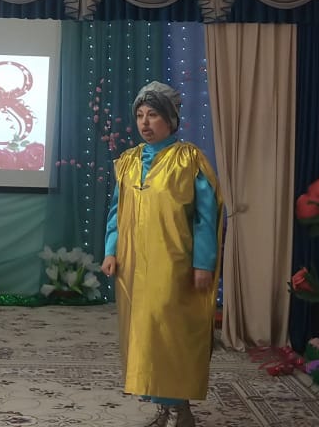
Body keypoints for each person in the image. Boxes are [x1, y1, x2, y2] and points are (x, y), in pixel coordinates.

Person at [101, 81, 225, 427]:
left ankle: (180, 408)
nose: (145, 122)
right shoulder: (128, 162)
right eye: (140, 115)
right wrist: (111, 250)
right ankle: (163, 407)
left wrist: (203, 263)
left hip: (174, 265)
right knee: (145, 335)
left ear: (170, 120)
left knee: (171, 334)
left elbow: (205, 217)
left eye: (153, 114)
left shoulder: (188, 160)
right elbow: (116, 212)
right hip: (134, 266)